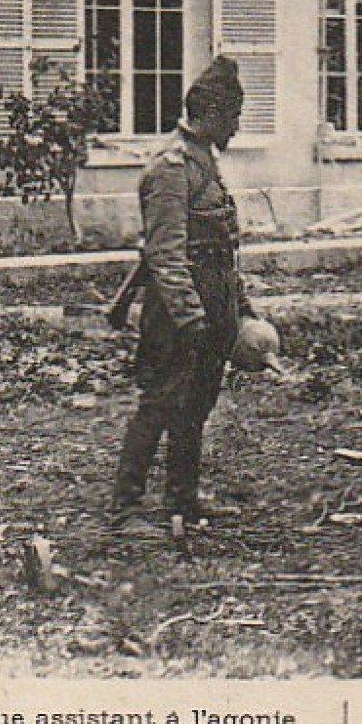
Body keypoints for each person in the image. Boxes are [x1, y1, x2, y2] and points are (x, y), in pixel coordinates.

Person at [112, 55, 255, 528]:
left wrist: (241, 310)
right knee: (159, 403)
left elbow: (222, 250)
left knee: (196, 404)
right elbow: (166, 256)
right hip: (176, 315)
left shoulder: (204, 165)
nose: (236, 127)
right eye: (232, 116)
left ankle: (183, 498)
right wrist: (191, 320)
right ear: (210, 114)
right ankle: (126, 506)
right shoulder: (171, 169)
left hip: (211, 308)